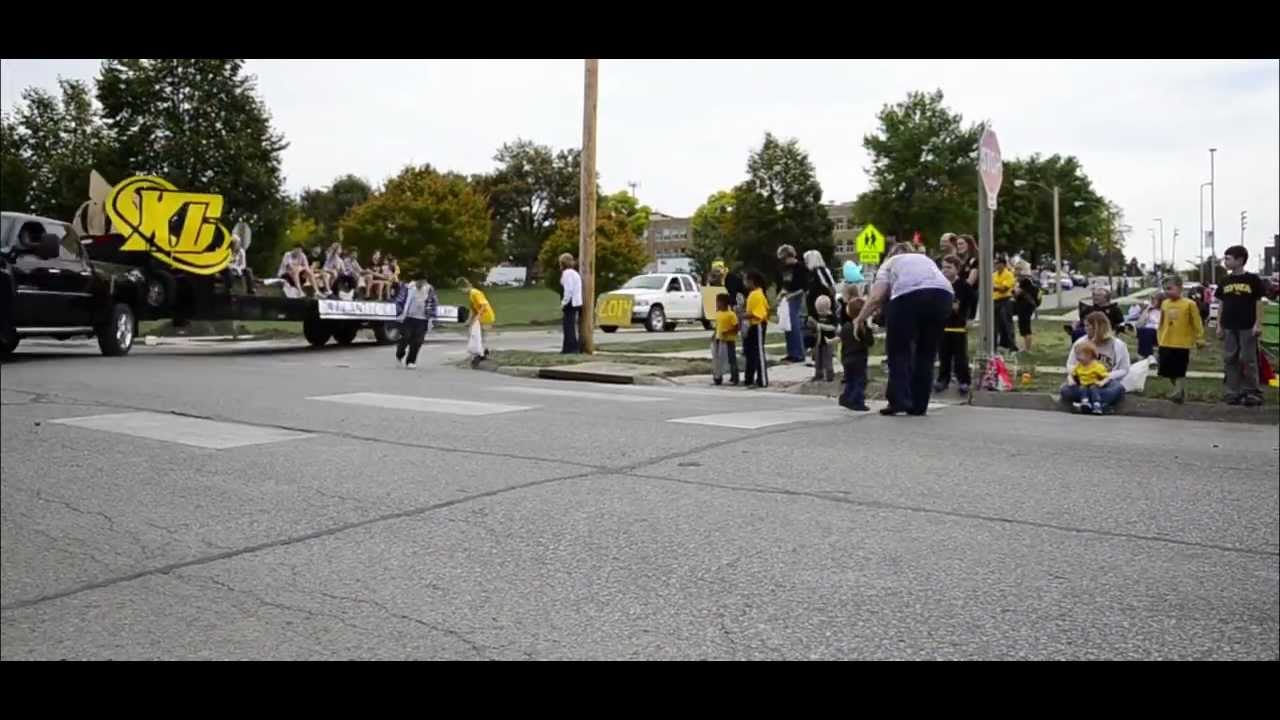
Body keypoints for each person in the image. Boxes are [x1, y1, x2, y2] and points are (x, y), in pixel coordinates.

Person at [853, 242, 953, 416]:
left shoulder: (889, 264)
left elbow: (876, 296)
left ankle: (900, 400)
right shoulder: (925, 259)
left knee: (899, 350)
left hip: (909, 295)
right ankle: (919, 404)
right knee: (926, 352)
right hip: (943, 294)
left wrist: (860, 318)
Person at [1217, 245, 1266, 406]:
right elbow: (1221, 304)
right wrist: (1219, 325)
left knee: (1247, 358)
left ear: (1239, 260)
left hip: (1247, 326)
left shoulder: (1253, 280)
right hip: (1229, 325)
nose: (1225, 261)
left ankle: (1252, 391)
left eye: (1228, 258)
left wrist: (1258, 324)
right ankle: (1233, 392)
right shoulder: (1225, 281)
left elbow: (1259, 303)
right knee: (1230, 358)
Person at [1060, 311, 1131, 413]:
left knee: (1118, 389)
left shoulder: (1118, 345)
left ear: (1097, 327)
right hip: (1083, 382)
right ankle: (1099, 404)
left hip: (1104, 383)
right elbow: (1070, 364)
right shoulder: (1081, 343)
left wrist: (1107, 376)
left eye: (1088, 326)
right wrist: (1076, 374)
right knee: (1065, 389)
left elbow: (1124, 369)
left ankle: (1088, 403)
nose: (1085, 328)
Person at [1155, 276, 1205, 404]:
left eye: (1170, 288)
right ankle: (1179, 390)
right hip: (1165, 341)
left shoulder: (1189, 304)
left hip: (1182, 343)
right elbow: (1161, 322)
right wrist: (1159, 337)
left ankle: (1178, 391)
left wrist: (1199, 338)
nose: (1167, 292)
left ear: (1180, 288)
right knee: (1166, 370)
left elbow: (1197, 323)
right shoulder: (1165, 303)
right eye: (1165, 289)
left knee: (1179, 370)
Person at [935, 255, 975, 394]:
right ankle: (942, 380)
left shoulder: (963, 286)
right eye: (943, 267)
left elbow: (972, 302)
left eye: (949, 267)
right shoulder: (940, 285)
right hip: (942, 325)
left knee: (960, 356)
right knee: (943, 355)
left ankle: (964, 381)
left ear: (957, 269)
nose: (945, 270)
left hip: (958, 325)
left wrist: (970, 317)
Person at [839, 289, 873, 411]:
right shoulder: (863, 328)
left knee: (850, 379)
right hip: (859, 359)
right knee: (859, 381)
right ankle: (857, 401)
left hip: (846, 358)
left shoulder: (846, 327)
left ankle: (846, 397)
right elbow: (870, 342)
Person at [395, 276, 437, 369]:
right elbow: (399, 300)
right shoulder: (408, 288)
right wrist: (400, 313)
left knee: (417, 341)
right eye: (419, 282)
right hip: (408, 318)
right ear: (415, 281)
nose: (420, 284)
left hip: (422, 319)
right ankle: (399, 354)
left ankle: (411, 361)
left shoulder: (429, 289)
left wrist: (432, 317)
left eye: (423, 282)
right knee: (405, 337)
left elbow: (434, 302)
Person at [775, 244, 806, 363]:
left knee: (794, 324)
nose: (783, 261)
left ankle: (799, 353)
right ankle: (791, 353)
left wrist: (791, 295)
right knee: (786, 325)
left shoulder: (800, 267)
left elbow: (803, 287)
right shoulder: (784, 269)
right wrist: (780, 295)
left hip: (796, 297)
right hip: (785, 299)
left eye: (784, 258)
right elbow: (783, 285)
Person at [458, 277, 496, 368]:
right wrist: (469, 321)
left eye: (463, 289)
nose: (463, 292)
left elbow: (483, 306)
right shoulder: (470, 295)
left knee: (481, 335)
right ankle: (481, 352)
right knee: (476, 335)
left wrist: (477, 317)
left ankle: (482, 353)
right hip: (480, 317)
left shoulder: (475, 293)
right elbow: (472, 309)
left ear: (467, 286)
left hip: (486, 316)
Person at [743, 270, 770, 388]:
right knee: (750, 352)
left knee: (758, 352)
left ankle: (762, 380)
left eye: (746, 280)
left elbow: (759, 313)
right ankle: (749, 379)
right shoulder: (752, 294)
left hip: (758, 325)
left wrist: (743, 315)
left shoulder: (758, 295)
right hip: (751, 326)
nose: (744, 282)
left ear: (751, 281)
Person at [1068, 341, 1112, 415]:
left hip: (1093, 383)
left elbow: (1107, 377)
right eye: (1076, 354)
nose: (1077, 357)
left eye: (1079, 354)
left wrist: (1102, 382)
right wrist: (1071, 380)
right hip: (1083, 384)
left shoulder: (1096, 366)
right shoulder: (1079, 365)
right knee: (1082, 388)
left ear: (1089, 355)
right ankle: (1085, 403)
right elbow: (1071, 374)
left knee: (1093, 389)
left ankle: (1097, 404)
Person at [710, 293, 740, 386]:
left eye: (718, 302)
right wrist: (714, 335)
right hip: (719, 340)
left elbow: (736, 327)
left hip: (728, 341)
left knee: (731, 359)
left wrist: (727, 332)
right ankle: (718, 378)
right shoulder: (718, 314)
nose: (717, 304)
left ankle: (735, 377)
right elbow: (717, 326)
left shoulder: (731, 315)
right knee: (717, 359)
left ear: (724, 303)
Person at [1013, 260, 1041, 352]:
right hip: (1024, 305)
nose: (1015, 271)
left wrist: (1014, 288)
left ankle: (1027, 348)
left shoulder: (1026, 281)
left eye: (1017, 269)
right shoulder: (1026, 280)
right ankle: (1025, 347)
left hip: (1026, 306)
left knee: (1025, 327)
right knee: (1023, 327)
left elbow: (1018, 293)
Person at [807, 294, 837, 382]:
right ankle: (818, 374)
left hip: (828, 341)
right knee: (818, 358)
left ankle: (829, 374)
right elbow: (813, 326)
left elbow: (833, 327)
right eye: (818, 310)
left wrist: (820, 326)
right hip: (818, 341)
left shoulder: (831, 317)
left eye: (821, 311)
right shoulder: (817, 316)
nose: (819, 313)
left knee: (827, 358)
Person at [992, 255, 1017, 352]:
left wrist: (994, 287)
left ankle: (1012, 346)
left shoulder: (1009, 274)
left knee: (1007, 323)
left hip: (1006, 301)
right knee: (994, 325)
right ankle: (993, 346)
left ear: (1003, 264)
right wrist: (996, 286)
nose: (996, 265)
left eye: (998, 263)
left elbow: (1004, 289)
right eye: (995, 263)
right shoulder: (994, 275)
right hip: (995, 301)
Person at [559, 252, 583, 354]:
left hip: (571, 302)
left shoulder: (567, 273)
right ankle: (567, 348)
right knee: (569, 325)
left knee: (568, 326)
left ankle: (572, 348)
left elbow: (568, 290)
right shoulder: (574, 273)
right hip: (576, 302)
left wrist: (564, 302)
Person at [1135, 292, 1164, 360]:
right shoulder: (1149, 310)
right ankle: (1147, 356)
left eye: (1154, 299)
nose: (1152, 301)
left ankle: (1145, 355)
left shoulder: (1164, 311)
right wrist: (1147, 310)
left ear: (1161, 301)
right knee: (1143, 331)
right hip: (1146, 332)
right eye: (1152, 299)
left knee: (1146, 331)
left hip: (1159, 333)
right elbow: (1138, 324)